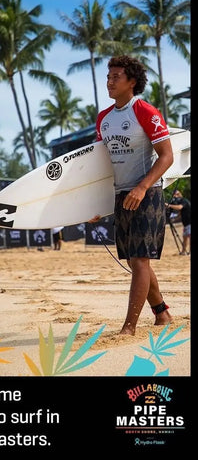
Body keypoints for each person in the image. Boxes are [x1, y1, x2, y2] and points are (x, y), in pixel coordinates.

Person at [91, 55, 173, 335]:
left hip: (147, 194)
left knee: (139, 260)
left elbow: (167, 157)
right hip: (120, 194)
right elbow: (100, 167)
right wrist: (93, 206)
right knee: (135, 260)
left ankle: (129, 326)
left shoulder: (145, 111)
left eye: (116, 77)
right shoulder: (104, 118)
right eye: (108, 77)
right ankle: (162, 313)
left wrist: (142, 187)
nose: (109, 82)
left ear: (132, 82)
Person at [166, 189, 191, 255]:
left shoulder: (184, 201)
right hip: (185, 224)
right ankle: (183, 251)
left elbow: (179, 207)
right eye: (175, 195)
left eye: (177, 194)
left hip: (189, 222)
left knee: (189, 236)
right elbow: (180, 213)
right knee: (185, 237)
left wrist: (169, 205)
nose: (176, 196)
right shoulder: (180, 202)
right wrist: (174, 220)